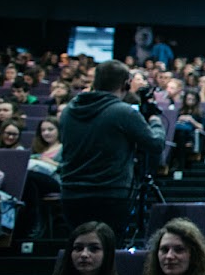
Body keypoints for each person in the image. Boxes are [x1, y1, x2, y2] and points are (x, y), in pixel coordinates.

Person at [59, 59, 165, 235]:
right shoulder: (123, 111)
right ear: (126, 84)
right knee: (108, 246)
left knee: (79, 246)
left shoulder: (69, 110)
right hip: (110, 194)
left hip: (71, 194)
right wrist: (155, 121)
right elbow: (155, 144)